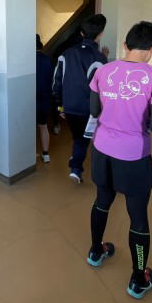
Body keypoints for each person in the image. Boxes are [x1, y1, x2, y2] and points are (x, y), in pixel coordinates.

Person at [86, 21, 152, 300]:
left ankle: (96, 251)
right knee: (138, 217)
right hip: (133, 155)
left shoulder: (103, 70)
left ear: (125, 44)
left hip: (101, 148)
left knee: (102, 201)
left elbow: (94, 110)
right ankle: (138, 278)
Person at [52, 14, 109, 183]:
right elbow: (104, 88)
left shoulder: (66, 53)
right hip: (89, 109)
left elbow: (57, 82)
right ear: (101, 34)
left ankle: (76, 164)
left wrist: (59, 106)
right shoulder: (99, 59)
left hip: (69, 107)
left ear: (82, 34)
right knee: (88, 139)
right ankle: (78, 169)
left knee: (79, 137)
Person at [36, 34, 52, 163]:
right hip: (45, 97)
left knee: (28, 127)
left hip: (31, 98)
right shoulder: (48, 60)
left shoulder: (27, 60)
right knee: (43, 126)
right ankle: (46, 154)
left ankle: (30, 154)